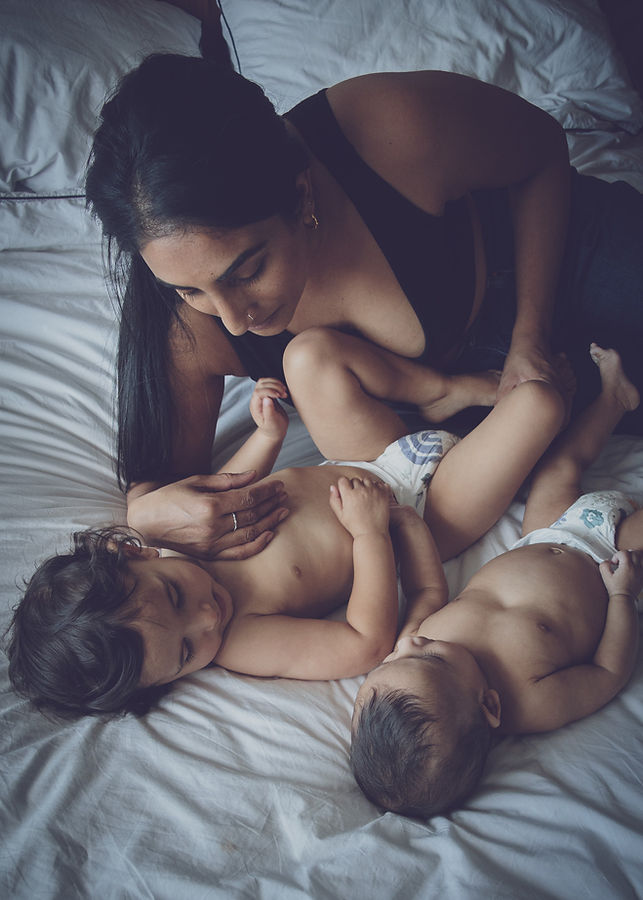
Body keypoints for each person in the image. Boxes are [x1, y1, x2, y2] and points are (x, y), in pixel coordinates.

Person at [84, 53, 643, 558]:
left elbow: (541, 149)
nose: (233, 320)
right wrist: (146, 513)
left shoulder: (387, 126)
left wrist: (530, 336)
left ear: (301, 194)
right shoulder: (181, 315)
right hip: (484, 409)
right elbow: (164, 488)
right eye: (189, 290)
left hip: (555, 261)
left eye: (248, 270)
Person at [6, 360, 566, 718]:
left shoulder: (177, 534)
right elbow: (364, 644)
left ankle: (449, 388)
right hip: (421, 513)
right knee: (539, 403)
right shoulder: (243, 639)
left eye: (175, 596)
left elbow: (239, 489)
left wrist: (269, 434)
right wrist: (370, 534)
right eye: (185, 652)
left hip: (361, 457)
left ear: (136, 553)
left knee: (308, 357)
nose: (206, 618)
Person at [350, 345, 643, 819]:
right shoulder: (531, 701)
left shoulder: (417, 644)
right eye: (427, 657)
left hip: (544, 531)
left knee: (558, 468)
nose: (410, 643)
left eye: (389, 660)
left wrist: (408, 524)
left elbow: (428, 589)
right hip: (610, 559)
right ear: (489, 705)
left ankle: (614, 400)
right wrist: (623, 596)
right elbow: (607, 674)